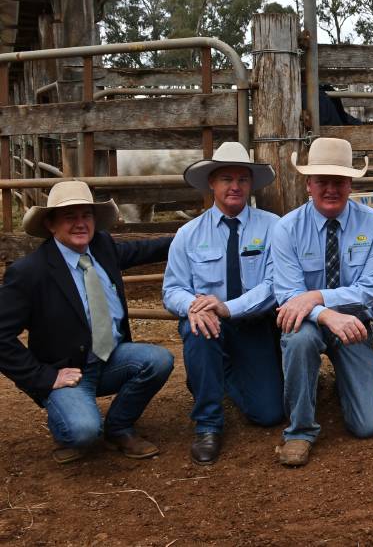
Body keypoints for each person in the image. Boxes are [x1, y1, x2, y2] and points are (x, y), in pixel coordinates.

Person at [0, 181, 174, 463]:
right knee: (82, 432)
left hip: (111, 357)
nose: (81, 224)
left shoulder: (102, 247)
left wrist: (186, 235)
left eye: (86, 215)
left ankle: (118, 427)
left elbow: (144, 250)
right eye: (70, 217)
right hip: (67, 370)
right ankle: (71, 423)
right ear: (50, 224)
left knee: (159, 360)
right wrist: (45, 377)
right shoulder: (29, 272)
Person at [162, 142, 283, 465]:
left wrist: (229, 307)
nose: (235, 186)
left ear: (251, 185)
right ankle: (208, 425)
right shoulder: (188, 234)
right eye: (226, 179)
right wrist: (194, 306)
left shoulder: (273, 228)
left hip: (253, 323)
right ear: (212, 184)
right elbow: (172, 288)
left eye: (242, 179)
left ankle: (212, 374)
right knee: (197, 328)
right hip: (209, 326)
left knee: (268, 413)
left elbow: (276, 285)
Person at [271, 137, 373, 466]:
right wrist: (324, 313)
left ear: (350, 183)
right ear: (308, 184)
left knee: (370, 425)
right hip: (307, 323)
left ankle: (344, 385)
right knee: (297, 341)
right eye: (322, 181)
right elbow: (288, 295)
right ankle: (299, 431)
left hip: (354, 324)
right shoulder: (287, 229)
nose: (330, 189)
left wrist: (318, 296)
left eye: (338, 181)